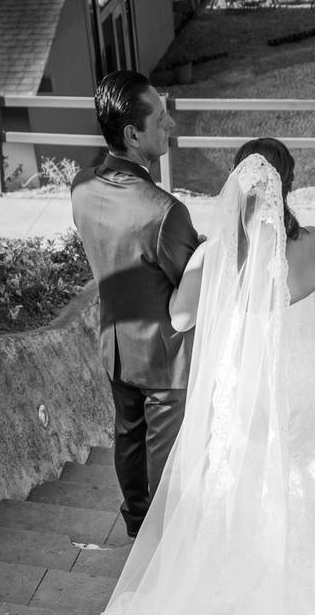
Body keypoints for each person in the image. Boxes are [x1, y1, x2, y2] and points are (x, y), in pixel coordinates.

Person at [102, 138, 315, 615]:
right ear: (287, 184)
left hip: (245, 382)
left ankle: (239, 556)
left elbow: (182, 318)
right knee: (307, 457)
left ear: (237, 183)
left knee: (243, 464)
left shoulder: (216, 255)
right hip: (305, 377)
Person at [70, 70, 200, 538]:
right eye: (161, 119)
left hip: (115, 345)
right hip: (164, 361)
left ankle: (136, 524)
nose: (170, 127)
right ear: (132, 133)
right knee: (165, 456)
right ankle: (162, 542)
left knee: (128, 438)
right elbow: (191, 285)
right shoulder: (165, 212)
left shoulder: (81, 187)